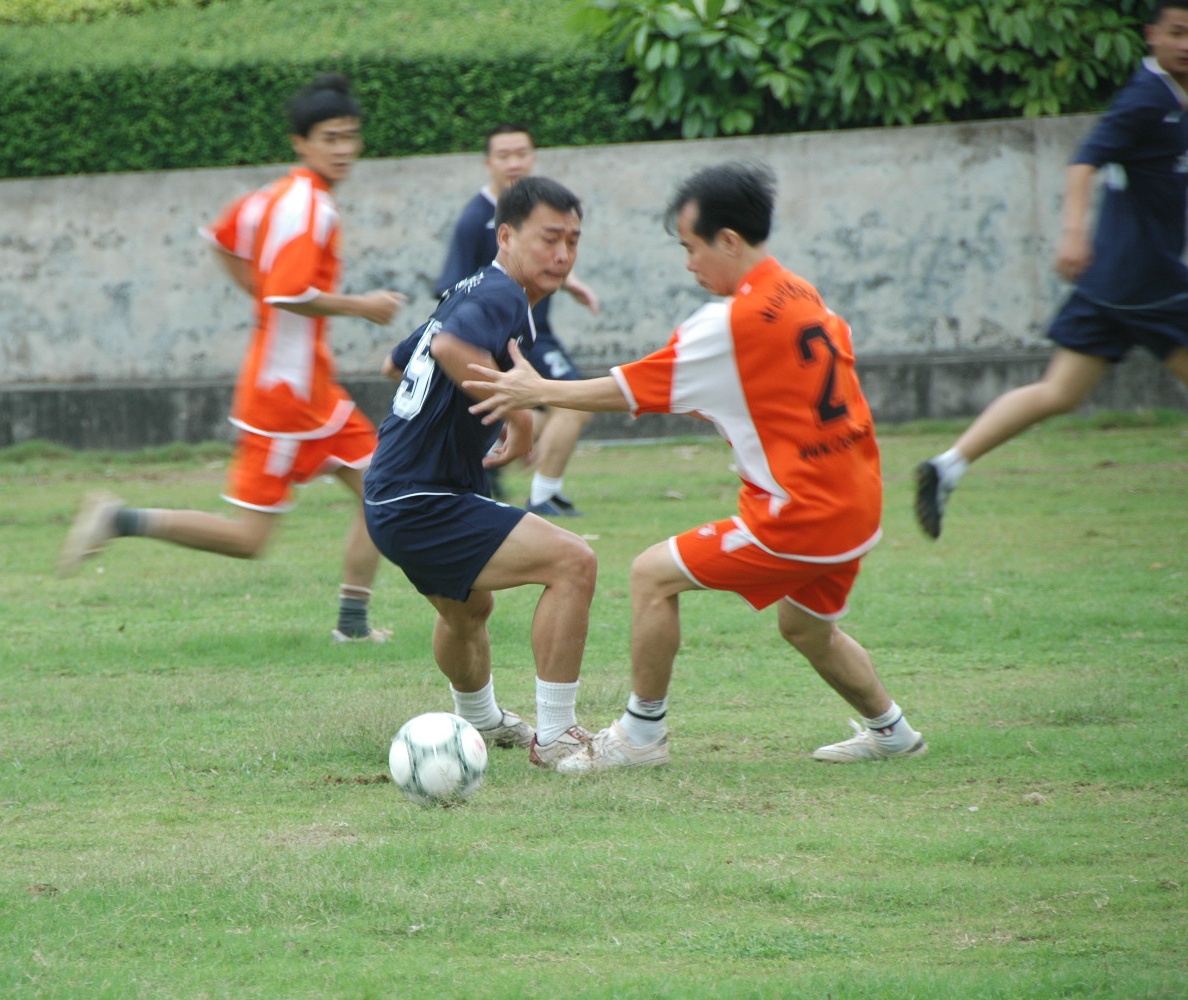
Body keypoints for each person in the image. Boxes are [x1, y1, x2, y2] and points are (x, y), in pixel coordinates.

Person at [464, 162, 927, 770]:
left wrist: (537, 390)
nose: (688, 264)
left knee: (652, 574)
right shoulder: (801, 292)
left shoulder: (730, 323)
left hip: (799, 512)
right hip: (857, 501)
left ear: (728, 240)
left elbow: (626, 389)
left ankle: (640, 737)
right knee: (806, 628)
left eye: (690, 247)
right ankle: (892, 731)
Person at [58, 73, 407, 644]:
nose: (343, 149)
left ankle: (353, 625)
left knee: (383, 489)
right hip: (287, 396)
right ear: (301, 142)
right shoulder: (310, 207)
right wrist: (361, 306)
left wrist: (259, 292)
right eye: (330, 138)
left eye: (350, 136)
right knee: (251, 539)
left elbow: (222, 239)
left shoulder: (270, 197)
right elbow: (289, 292)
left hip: (311, 388)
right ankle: (119, 518)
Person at [915, 0, 1188, 539]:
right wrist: (1071, 234)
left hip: (1113, 283)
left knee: (1060, 392)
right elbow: (1084, 160)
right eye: (1176, 33)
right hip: (1144, 281)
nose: (1185, 45)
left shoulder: (1174, 99)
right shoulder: (1147, 98)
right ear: (1151, 35)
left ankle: (947, 465)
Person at [365, 176, 599, 768]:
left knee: (467, 611)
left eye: (573, 241)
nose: (562, 254)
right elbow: (448, 350)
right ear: (506, 236)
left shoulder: (471, 289)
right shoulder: (502, 296)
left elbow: (395, 362)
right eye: (549, 238)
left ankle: (480, 720)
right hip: (422, 497)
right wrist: (517, 412)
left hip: (396, 493)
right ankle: (557, 735)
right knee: (573, 562)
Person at [433, 123, 601, 516]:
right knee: (572, 404)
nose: (514, 163)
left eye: (521, 153)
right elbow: (452, 290)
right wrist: (478, 340)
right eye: (503, 155)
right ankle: (542, 495)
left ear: (534, 157)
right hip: (509, 340)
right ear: (487, 163)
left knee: (551, 409)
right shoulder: (476, 219)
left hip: (534, 334)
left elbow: (543, 256)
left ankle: (495, 451)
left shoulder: (540, 209)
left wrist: (571, 283)